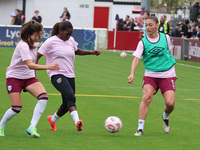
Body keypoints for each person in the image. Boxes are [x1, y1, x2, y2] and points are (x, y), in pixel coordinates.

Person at [36, 21, 101, 132]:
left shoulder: (70, 40)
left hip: (70, 74)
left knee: (67, 104)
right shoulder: (50, 41)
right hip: (56, 74)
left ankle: (53, 119)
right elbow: (37, 56)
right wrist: (34, 73)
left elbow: (76, 51)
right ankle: (77, 121)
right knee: (70, 96)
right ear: (60, 31)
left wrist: (91, 52)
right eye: (67, 34)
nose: (69, 36)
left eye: (70, 34)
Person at [0, 20, 60, 138]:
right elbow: (30, 65)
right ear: (35, 33)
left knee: (43, 97)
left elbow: (30, 66)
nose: (42, 36)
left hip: (28, 77)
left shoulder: (35, 43)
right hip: (14, 77)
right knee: (16, 108)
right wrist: (50, 67)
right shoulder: (23, 45)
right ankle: (1, 126)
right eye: (41, 34)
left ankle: (32, 127)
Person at [127, 16, 177, 136]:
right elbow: (136, 59)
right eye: (146, 25)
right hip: (151, 74)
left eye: (150, 25)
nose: (147, 27)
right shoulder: (143, 42)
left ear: (156, 25)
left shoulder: (166, 37)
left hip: (167, 74)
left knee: (170, 104)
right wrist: (132, 74)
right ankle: (140, 128)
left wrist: (174, 73)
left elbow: (169, 54)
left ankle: (165, 116)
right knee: (146, 97)